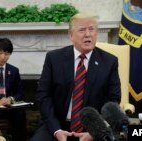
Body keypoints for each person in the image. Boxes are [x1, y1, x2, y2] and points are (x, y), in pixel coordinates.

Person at [30, 13, 121, 141]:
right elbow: (43, 96)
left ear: (96, 34)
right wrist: (56, 130)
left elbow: (113, 101)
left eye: (91, 29)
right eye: (82, 30)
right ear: (71, 35)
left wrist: (95, 132)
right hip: (57, 125)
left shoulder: (109, 62)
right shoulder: (54, 58)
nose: (87, 34)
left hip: (93, 128)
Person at [0, 38, 26, 141]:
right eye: (0, 53)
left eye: (7, 54)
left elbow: (20, 92)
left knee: (20, 114)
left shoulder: (14, 70)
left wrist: (10, 99)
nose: (3, 57)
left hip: (8, 107)